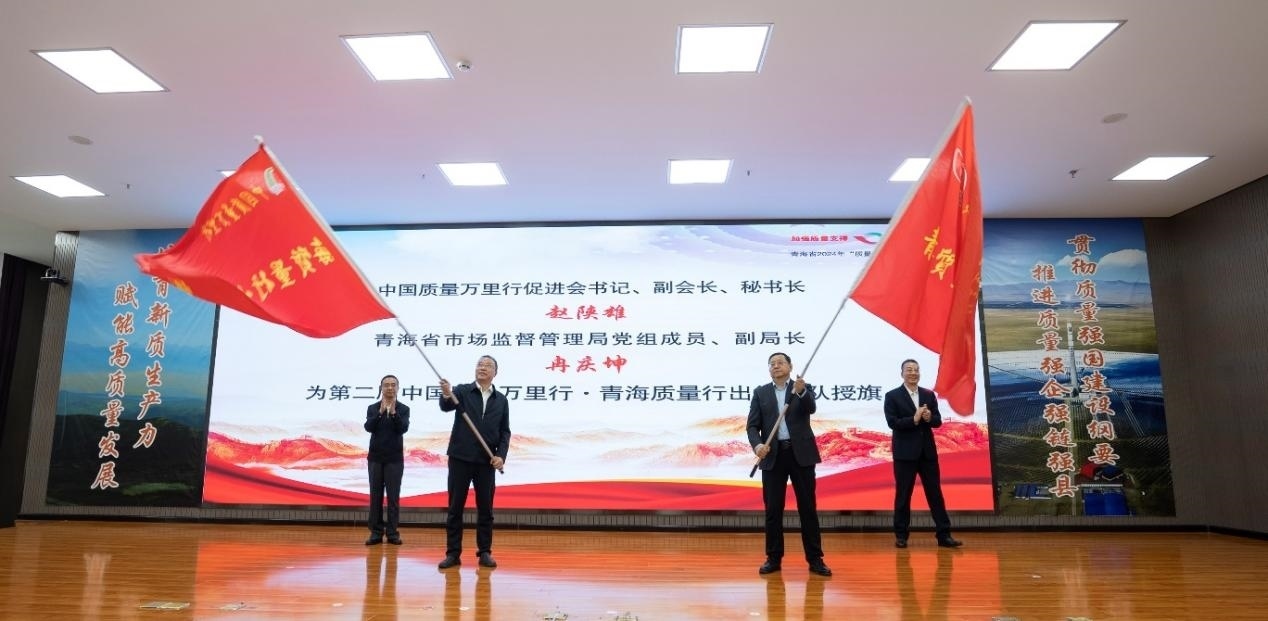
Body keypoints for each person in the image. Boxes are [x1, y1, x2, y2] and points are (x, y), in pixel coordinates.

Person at [746, 352, 832, 577]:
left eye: (780, 362)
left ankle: (815, 559)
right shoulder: (761, 393)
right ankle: (773, 558)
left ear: (790, 367)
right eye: (772, 364)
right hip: (773, 456)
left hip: (800, 454)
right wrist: (757, 445)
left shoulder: (801, 388)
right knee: (773, 509)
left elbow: (811, 408)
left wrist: (802, 391)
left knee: (807, 508)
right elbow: (752, 426)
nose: (776, 366)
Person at [438, 355, 511, 569]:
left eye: (488, 365)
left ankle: (485, 552)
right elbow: (446, 406)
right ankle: (453, 553)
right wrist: (446, 393)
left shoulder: (501, 400)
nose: (482, 368)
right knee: (455, 508)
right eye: (480, 364)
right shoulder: (462, 391)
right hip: (460, 458)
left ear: (495, 373)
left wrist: (501, 456)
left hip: (486, 461)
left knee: (486, 509)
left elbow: (505, 432)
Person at [883, 359, 963, 549]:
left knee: (935, 494)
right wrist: (914, 419)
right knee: (903, 495)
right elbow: (893, 423)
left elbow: (938, 421)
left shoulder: (928, 395)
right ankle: (901, 536)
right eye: (909, 370)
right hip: (904, 454)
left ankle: (944, 535)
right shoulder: (892, 396)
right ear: (902, 373)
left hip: (927, 453)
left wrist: (929, 417)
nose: (913, 373)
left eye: (916, 370)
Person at [365, 374, 410, 545]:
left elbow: (402, 429)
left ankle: (392, 533)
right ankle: (376, 533)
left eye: (393, 385)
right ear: (381, 388)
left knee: (393, 498)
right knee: (375, 497)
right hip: (375, 458)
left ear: (398, 388)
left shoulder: (404, 409)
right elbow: (369, 427)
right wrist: (380, 413)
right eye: (386, 385)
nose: (390, 387)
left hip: (394, 459)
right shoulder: (372, 408)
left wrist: (394, 413)